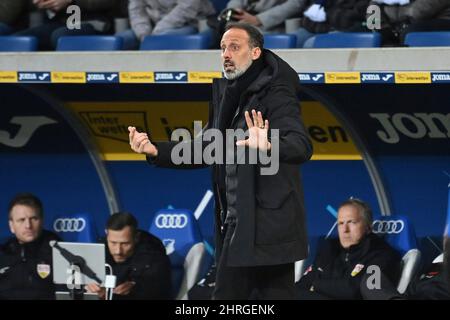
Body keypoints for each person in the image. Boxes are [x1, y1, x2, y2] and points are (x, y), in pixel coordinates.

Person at [128, 22, 313, 299]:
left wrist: (270, 144)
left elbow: (301, 146)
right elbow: (207, 148)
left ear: (255, 53)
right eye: (223, 47)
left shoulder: (277, 93)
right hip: (237, 224)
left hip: (271, 228)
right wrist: (156, 150)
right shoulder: (229, 93)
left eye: (235, 47)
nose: (226, 53)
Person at [296, 198, 402, 299]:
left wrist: (316, 284)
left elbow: (355, 291)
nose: (345, 230)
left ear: (368, 227)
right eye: (341, 223)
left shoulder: (382, 255)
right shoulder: (329, 249)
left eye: (352, 222)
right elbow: (303, 284)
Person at [86, 212, 172, 300]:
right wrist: (88, 286)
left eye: (125, 244)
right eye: (113, 243)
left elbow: (154, 293)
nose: (118, 251)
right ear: (106, 234)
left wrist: (135, 287)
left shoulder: (154, 256)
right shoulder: (99, 250)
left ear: (136, 238)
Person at [0, 193, 60, 299]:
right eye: (21, 220)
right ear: (11, 226)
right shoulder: (4, 251)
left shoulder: (58, 250)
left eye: (33, 218)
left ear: (42, 221)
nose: (28, 225)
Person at [15, 0, 117, 50]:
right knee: (18, 40)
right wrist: (42, 2)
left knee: (60, 36)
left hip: (94, 22)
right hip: (59, 22)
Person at [119, 0, 216, 49]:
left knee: (159, 39)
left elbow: (187, 8)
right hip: (153, 26)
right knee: (119, 39)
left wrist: (156, 33)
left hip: (193, 23)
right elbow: (136, 11)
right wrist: (143, 34)